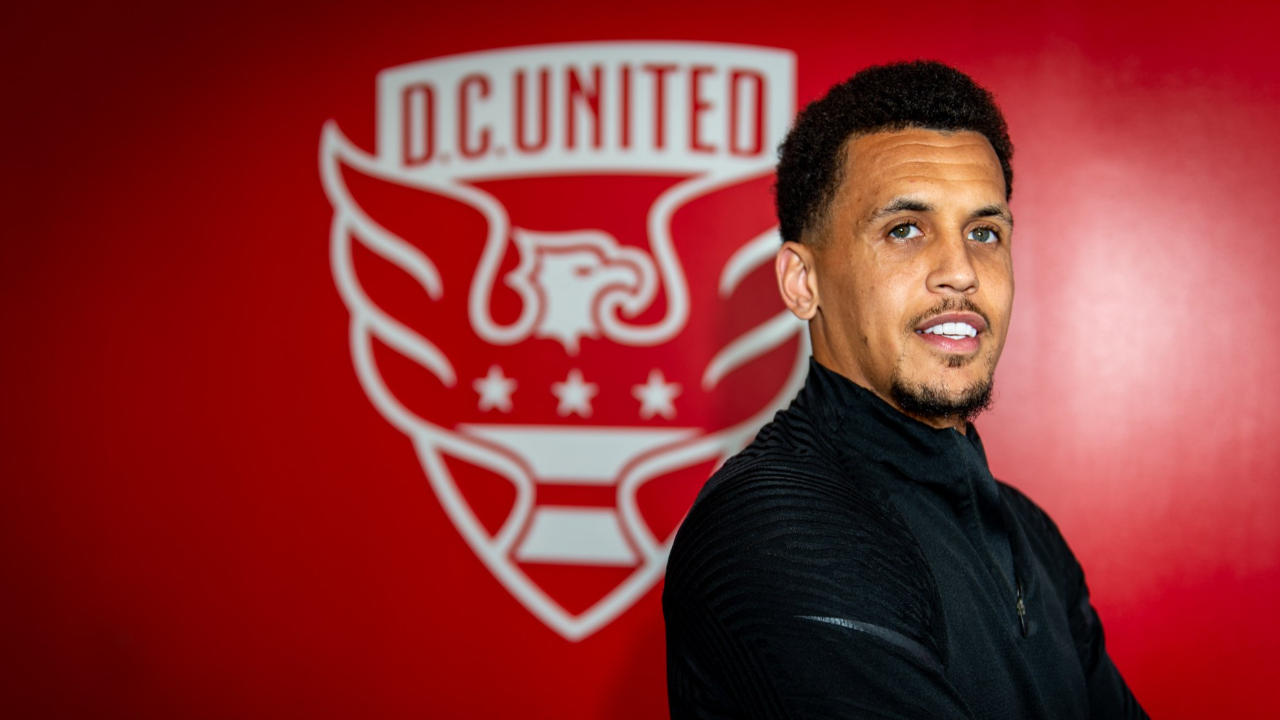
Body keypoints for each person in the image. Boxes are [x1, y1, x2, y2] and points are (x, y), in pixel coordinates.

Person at [662, 60, 1148, 719]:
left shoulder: (1030, 533)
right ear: (802, 282)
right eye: (905, 230)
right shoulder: (776, 528)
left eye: (984, 233)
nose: (960, 271)